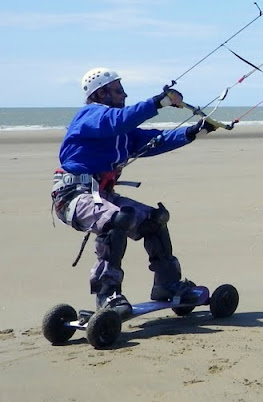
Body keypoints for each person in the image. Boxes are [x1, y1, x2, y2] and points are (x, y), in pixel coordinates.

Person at [51, 67, 215, 315]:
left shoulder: (120, 131)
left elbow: (153, 141)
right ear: (101, 93)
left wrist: (192, 131)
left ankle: (167, 285)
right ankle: (108, 295)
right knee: (116, 219)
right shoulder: (90, 115)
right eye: (118, 90)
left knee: (154, 220)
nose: (124, 95)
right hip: (73, 196)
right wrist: (158, 103)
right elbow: (116, 122)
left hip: (102, 194)